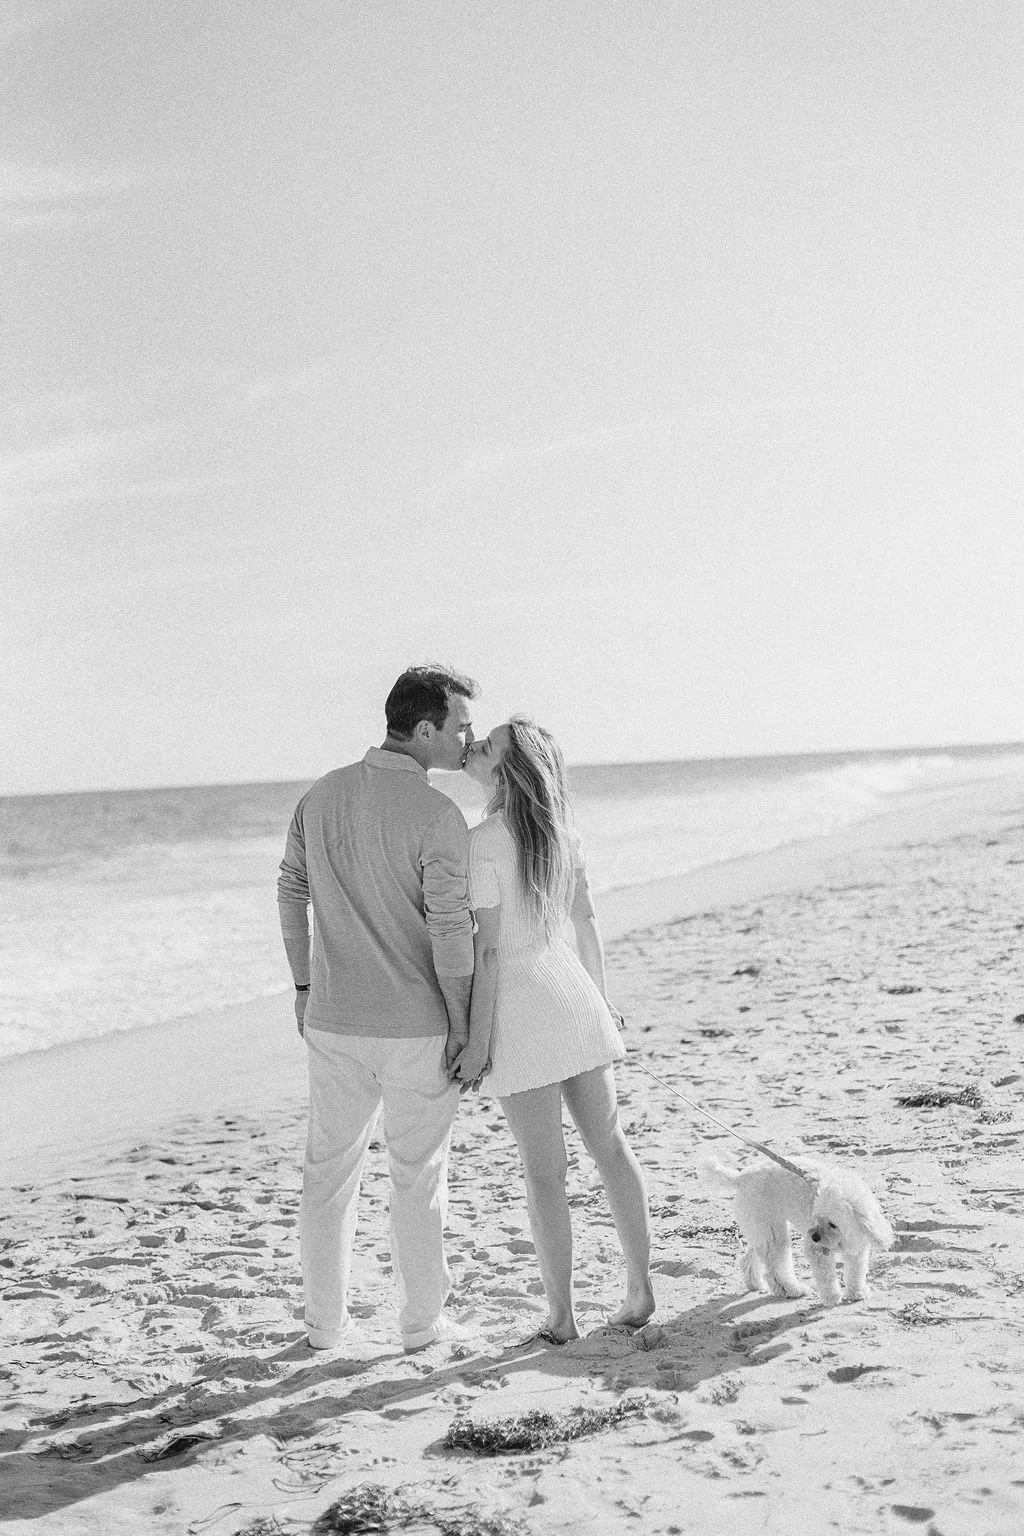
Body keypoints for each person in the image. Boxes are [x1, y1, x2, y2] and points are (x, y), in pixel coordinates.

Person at [277, 665, 478, 1353]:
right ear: (423, 729)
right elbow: (452, 934)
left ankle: (323, 1328)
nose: (466, 740)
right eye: (459, 728)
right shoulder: (439, 816)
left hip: (333, 1021)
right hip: (418, 1026)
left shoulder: (321, 794)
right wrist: (462, 1019)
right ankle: (422, 1327)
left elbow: (289, 893)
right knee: (418, 1176)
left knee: (328, 1174)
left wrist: (304, 987)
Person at [452, 715, 655, 1343]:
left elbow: (487, 956)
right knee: (611, 1149)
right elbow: (588, 926)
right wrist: (604, 1001)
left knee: (546, 1173)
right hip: (571, 994)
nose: (475, 747)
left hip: (520, 1009)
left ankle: (562, 1317)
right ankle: (642, 1289)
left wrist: (476, 1039)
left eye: (488, 746)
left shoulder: (482, 841)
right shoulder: (559, 835)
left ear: (508, 770)